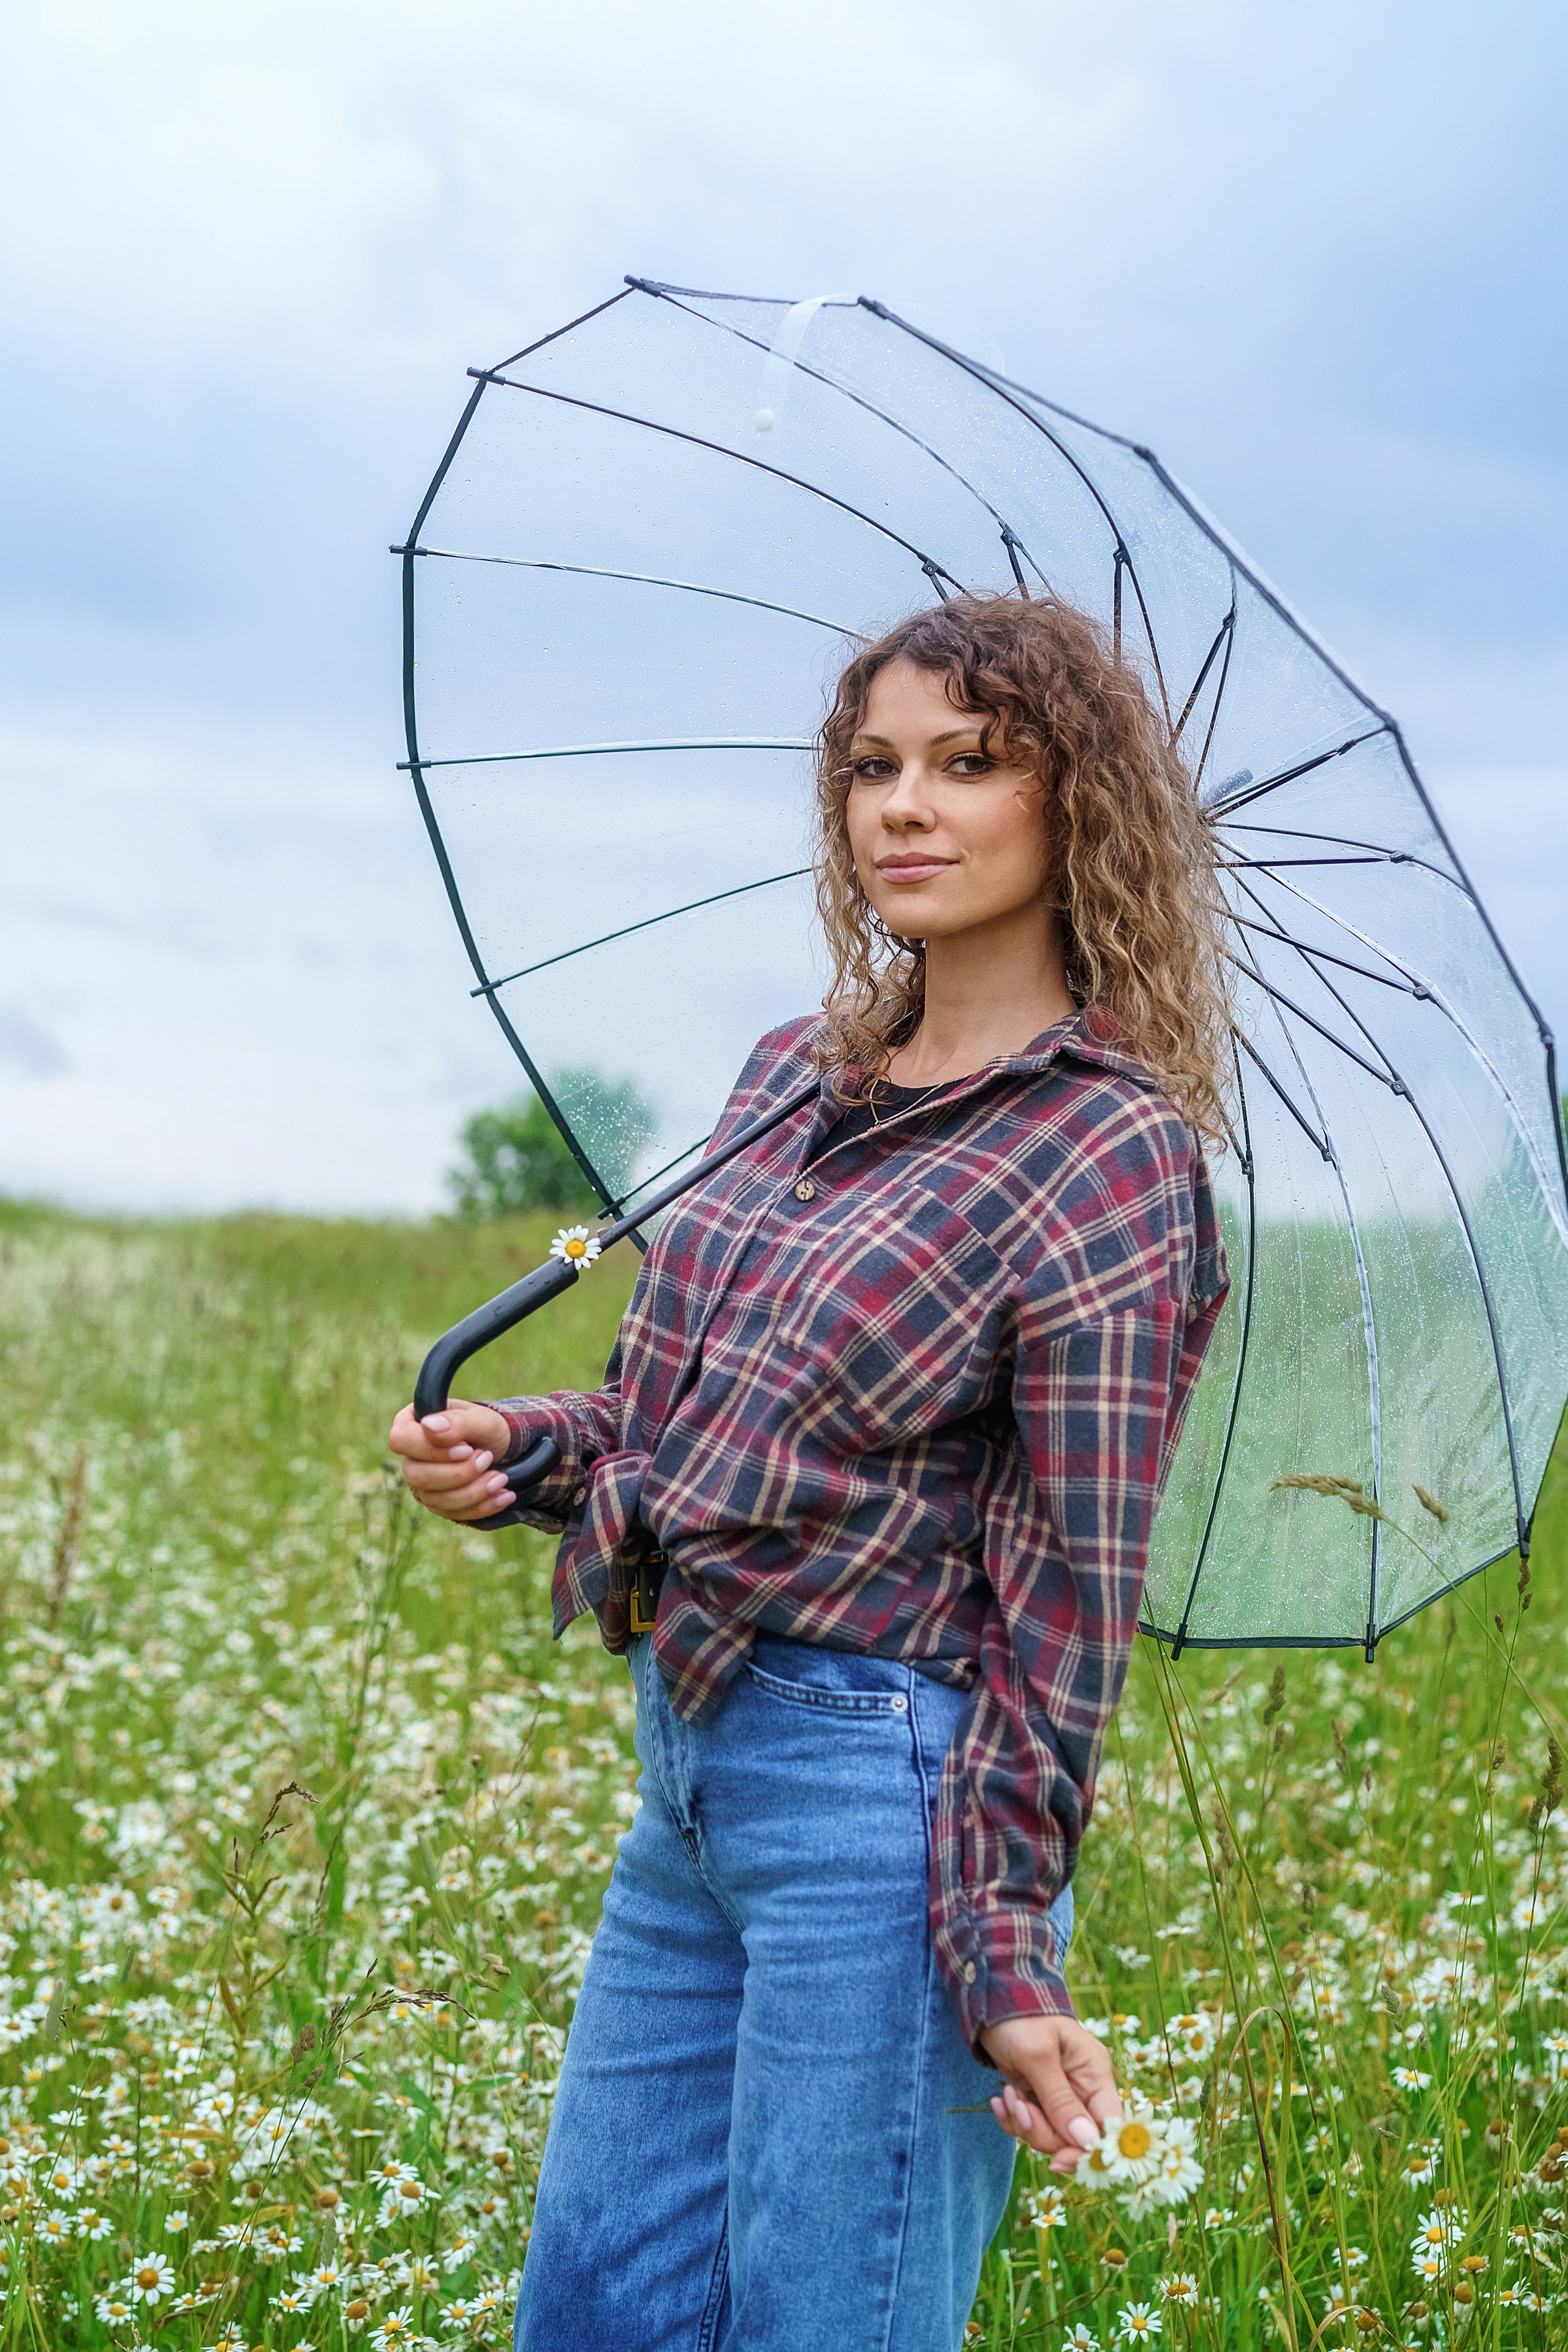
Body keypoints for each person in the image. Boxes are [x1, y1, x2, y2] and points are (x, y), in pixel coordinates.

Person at [390, 594, 1232, 2352]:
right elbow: (669, 1413)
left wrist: (1002, 1952)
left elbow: (1069, 1598)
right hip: (690, 1779)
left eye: (969, 764)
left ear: (1080, 805)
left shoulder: (1107, 1153)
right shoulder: (795, 1077)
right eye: (872, 767)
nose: (903, 806)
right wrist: (523, 1449)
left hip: (886, 1809)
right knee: (597, 2314)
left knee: (820, 2323)